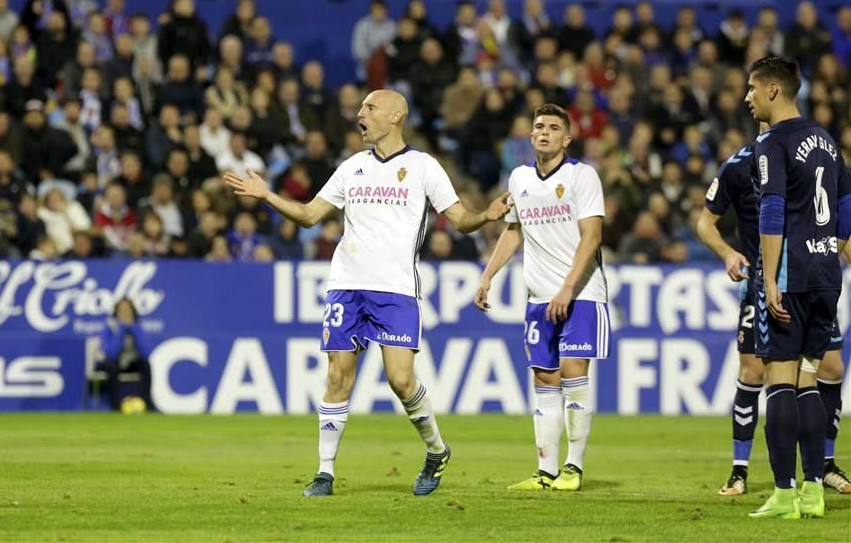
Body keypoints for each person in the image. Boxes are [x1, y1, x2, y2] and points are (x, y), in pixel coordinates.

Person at [224, 89, 510, 498]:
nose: (360, 114)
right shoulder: (351, 168)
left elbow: (460, 219)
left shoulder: (423, 167)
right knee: (338, 375)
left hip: (395, 289)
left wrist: (486, 216)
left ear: (395, 116)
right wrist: (267, 195)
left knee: (400, 380)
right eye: (360, 108)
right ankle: (324, 472)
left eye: (369, 107)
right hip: (346, 285)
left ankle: (436, 449)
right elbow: (308, 215)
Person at [697, 127, 851, 497]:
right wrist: (728, 253)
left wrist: (838, 251)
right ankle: (739, 470)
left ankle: (822, 466)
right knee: (754, 372)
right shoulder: (738, 166)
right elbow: (705, 222)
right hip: (763, 284)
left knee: (830, 369)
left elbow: (836, 214)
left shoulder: (808, 156)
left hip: (807, 278)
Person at [474, 103, 609, 492]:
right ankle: (546, 472)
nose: (545, 132)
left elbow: (592, 236)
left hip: (581, 294)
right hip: (538, 298)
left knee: (573, 375)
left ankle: (574, 468)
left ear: (567, 138)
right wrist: (487, 275)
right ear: (531, 137)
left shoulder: (582, 176)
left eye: (553, 127)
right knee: (544, 379)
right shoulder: (519, 179)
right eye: (538, 127)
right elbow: (513, 231)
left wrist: (568, 287)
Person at [745, 56, 851, 519]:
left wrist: (769, 278)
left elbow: (771, 211)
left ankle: (785, 493)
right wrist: (832, 252)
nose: (747, 97)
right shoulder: (826, 140)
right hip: (828, 275)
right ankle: (814, 491)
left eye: (752, 88)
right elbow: (846, 208)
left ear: (773, 90)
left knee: (779, 381)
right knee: (810, 379)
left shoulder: (772, 142)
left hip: (790, 274)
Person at [98, 297, 153, 411]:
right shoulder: (109, 327)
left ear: (133, 312)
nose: (125, 313)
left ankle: (148, 404)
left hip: (132, 362)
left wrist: (134, 329)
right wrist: (121, 330)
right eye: (121, 310)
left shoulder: (137, 326)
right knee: (111, 366)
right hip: (113, 363)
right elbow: (111, 353)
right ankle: (116, 406)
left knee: (145, 365)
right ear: (116, 312)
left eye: (127, 310)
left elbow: (145, 353)